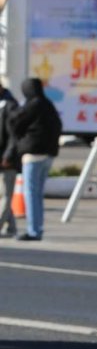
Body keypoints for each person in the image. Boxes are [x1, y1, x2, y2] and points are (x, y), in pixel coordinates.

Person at [8, 77, 62, 242]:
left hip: (33, 155)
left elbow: (15, 122)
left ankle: (34, 230)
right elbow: (58, 126)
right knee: (37, 194)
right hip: (48, 155)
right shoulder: (48, 104)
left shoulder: (32, 105)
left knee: (30, 193)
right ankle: (37, 228)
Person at [0, 80, 19, 237]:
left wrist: (8, 155)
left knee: (6, 195)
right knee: (3, 195)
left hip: (7, 159)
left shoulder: (10, 105)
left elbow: (14, 135)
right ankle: (11, 227)